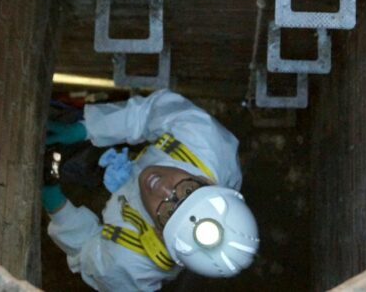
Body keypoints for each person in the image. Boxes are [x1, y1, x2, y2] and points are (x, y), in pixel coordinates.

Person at [42, 89, 259, 291]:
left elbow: (86, 249)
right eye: (188, 191)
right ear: (207, 181)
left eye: (167, 214)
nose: (162, 187)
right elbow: (147, 114)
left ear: (159, 236)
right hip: (144, 158)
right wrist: (87, 127)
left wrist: (55, 202)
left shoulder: (129, 265)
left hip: (125, 219)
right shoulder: (204, 140)